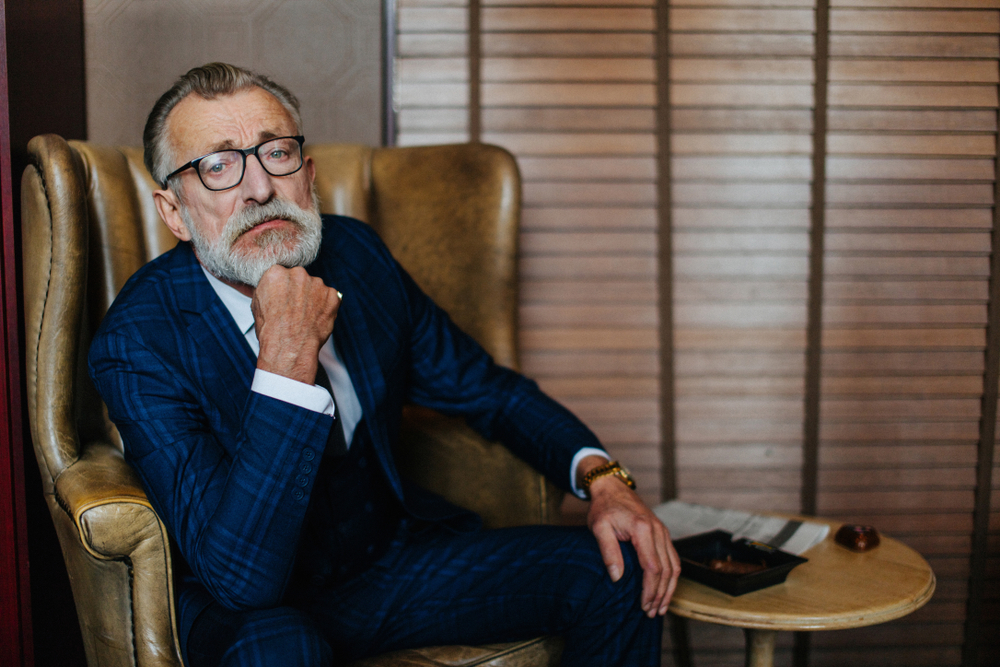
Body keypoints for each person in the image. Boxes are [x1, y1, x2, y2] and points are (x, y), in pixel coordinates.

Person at [89, 62, 679, 667]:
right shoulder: (138, 342)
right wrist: (287, 361)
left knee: (619, 567)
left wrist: (604, 477)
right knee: (279, 649)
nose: (260, 188)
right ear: (175, 213)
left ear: (307, 176)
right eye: (217, 166)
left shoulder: (358, 256)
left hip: (385, 570)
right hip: (258, 610)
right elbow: (241, 581)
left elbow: (486, 390)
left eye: (277, 153)